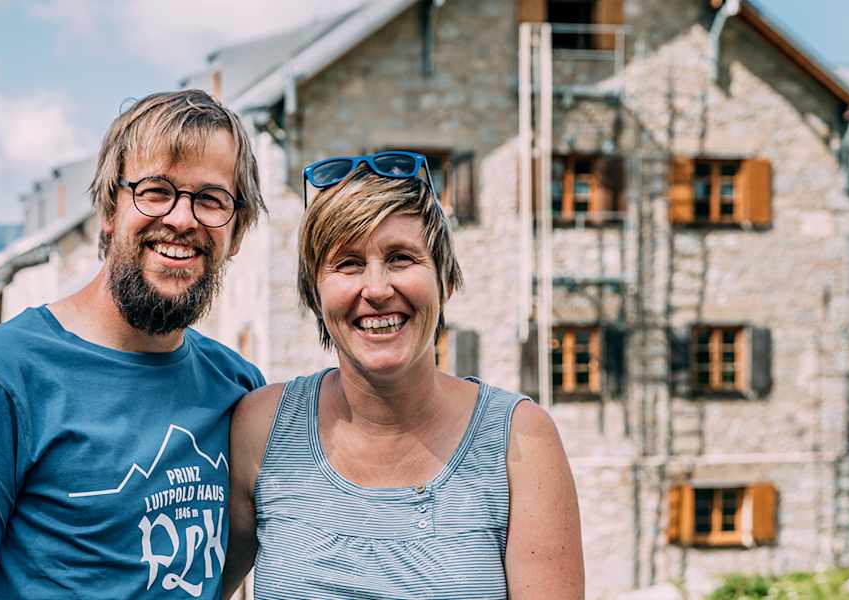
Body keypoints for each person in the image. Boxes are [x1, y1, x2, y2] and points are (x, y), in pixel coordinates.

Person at [0, 90, 266, 599]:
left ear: (237, 230)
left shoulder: (239, 387)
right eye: (156, 191)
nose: (183, 219)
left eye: (210, 199)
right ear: (109, 209)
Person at [223, 152, 585, 598]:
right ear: (314, 294)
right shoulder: (261, 428)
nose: (376, 289)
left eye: (400, 259)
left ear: (445, 280)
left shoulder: (521, 442)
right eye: (348, 263)